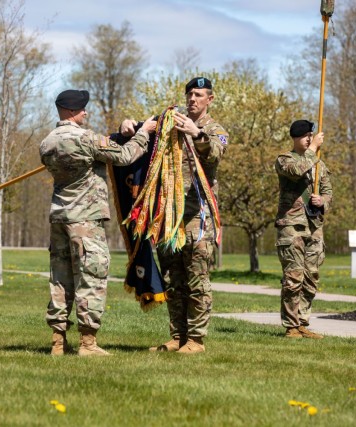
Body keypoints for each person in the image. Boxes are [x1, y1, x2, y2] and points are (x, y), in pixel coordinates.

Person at [40, 89, 156, 356]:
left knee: (60, 279)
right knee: (91, 277)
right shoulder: (87, 139)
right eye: (83, 109)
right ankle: (88, 343)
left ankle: (58, 341)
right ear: (71, 111)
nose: (86, 112)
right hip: (86, 220)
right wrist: (144, 132)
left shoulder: (46, 143)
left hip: (59, 217)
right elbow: (126, 156)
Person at [123, 77, 229, 354]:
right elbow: (144, 134)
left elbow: (216, 154)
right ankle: (177, 335)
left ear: (210, 99)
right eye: (190, 94)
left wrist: (196, 133)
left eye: (199, 95)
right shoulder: (171, 123)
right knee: (173, 278)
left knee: (196, 278)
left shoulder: (214, 129)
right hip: (168, 217)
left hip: (197, 216)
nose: (192, 99)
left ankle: (196, 339)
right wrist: (128, 126)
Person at [274, 119, 332, 339]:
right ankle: (290, 326)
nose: (309, 138)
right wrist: (313, 149)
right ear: (296, 138)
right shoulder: (284, 160)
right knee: (293, 277)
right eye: (305, 136)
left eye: (311, 135)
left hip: (314, 227)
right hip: (292, 226)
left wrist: (322, 201)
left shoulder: (319, 165)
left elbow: (328, 192)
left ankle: (302, 322)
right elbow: (296, 171)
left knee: (311, 277)